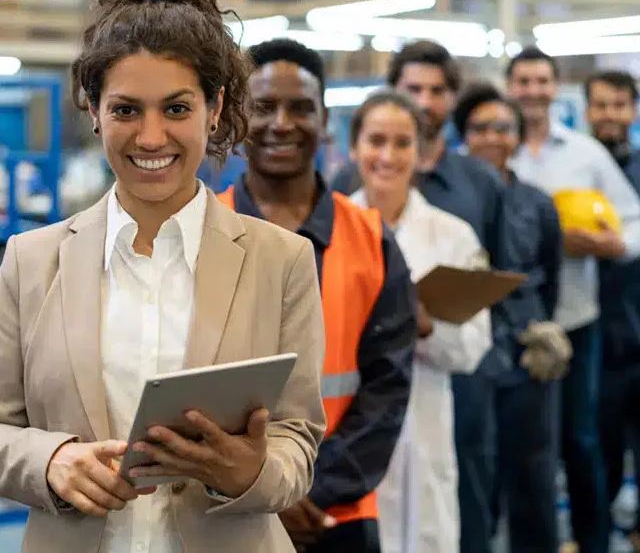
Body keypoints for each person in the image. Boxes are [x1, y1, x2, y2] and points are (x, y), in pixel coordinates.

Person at [0, 0, 327, 553]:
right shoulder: (30, 261)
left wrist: (248, 472)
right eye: (126, 109)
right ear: (94, 111)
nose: (151, 137)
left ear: (215, 108)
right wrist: (50, 459)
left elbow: (297, 439)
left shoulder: (282, 259)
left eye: (177, 107)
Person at [216, 38, 417, 553]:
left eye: (301, 108)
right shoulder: (197, 234)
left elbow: (387, 388)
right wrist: (262, 491)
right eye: (262, 107)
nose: (281, 123)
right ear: (234, 117)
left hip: (335, 512)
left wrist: (307, 492)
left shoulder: (372, 240)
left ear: (325, 121)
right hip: (221, 509)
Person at [506, 46, 640, 553]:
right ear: (510, 85)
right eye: (524, 81)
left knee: (581, 441)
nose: (533, 91)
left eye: (542, 80)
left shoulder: (586, 154)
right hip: (513, 322)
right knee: (522, 447)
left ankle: (594, 541)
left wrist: (615, 245)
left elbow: (633, 220)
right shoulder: (496, 149)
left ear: (555, 87)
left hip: (577, 320)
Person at [348, 89, 492, 553]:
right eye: (375, 140)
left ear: (422, 152)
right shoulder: (327, 230)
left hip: (425, 421)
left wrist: (425, 323)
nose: (388, 156)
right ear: (354, 148)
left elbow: (472, 349)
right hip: (347, 429)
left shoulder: (453, 237)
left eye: (402, 143)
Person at [454, 82, 568, 552]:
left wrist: (543, 328)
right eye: (481, 128)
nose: (493, 138)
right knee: (474, 481)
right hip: (467, 358)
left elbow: (551, 275)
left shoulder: (538, 203)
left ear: (518, 137)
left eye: (504, 128)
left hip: (525, 357)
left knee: (533, 477)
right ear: (463, 134)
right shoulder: (449, 199)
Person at [585, 70, 640, 545]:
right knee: (596, 451)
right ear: (587, 111)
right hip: (596, 339)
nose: (610, 114)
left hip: (637, 330)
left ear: (634, 110)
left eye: (619, 104)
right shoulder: (577, 170)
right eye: (601, 105)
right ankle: (599, 538)